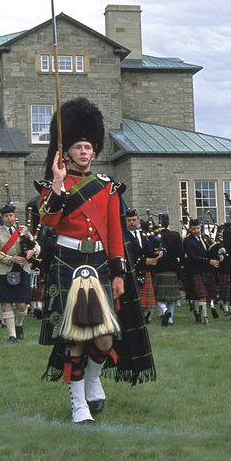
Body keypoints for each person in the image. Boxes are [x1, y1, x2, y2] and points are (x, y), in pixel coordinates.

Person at [36, 97, 155, 424]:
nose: (84, 152)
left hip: (101, 264)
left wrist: (118, 273)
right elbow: (47, 221)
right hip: (68, 261)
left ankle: (92, 379)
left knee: (104, 337)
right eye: (78, 147)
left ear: (95, 150)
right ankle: (78, 405)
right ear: (67, 153)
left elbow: (115, 234)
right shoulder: (54, 186)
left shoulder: (108, 187)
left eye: (88, 147)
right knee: (74, 338)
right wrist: (57, 183)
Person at [0, 204, 35, 342]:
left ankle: (19, 325)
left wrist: (32, 251)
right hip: (5, 271)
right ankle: (12, 335)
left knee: (22, 305)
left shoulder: (23, 230)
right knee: (7, 303)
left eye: (11, 215)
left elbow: (36, 245)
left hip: (22, 269)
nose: (9, 218)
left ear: (14, 216)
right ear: (2, 218)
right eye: (6, 216)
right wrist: (11, 259)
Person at [182, 218, 220, 325]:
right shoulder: (188, 241)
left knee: (208, 296)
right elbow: (193, 257)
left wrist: (218, 256)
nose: (196, 231)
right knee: (202, 295)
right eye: (193, 229)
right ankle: (205, 318)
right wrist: (209, 262)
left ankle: (199, 312)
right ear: (190, 229)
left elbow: (211, 251)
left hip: (207, 271)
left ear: (201, 228)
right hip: (196, 271)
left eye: (198, 228)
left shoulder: (205, 238)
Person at [124, 210, 159, 322]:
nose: (132, 222)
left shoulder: (144, 234)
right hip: (131, 271)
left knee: (144, 303)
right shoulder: (123, 236)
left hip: (145, 271)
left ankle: (141, 318)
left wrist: (160, 251)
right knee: (132, 300)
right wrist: (144, 261)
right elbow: (125, 254)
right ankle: (135, 320)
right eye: (129, 220)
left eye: (134, 220)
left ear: (138, 221)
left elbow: (152, 247)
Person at [152, 213, 183, 326]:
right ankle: (170, 319)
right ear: (168, 222)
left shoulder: (154, 236)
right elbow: (181, 253)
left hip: (158, 270)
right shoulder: (176, 235)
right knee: (172, 298)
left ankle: (164, 311)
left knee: (158, 296)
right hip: (172, 269)